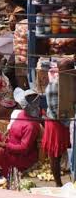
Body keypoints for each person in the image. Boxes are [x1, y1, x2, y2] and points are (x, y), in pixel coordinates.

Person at [44, 58, 74, 186]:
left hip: (69, 121)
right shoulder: (54, 86)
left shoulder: (70, 81)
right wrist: (71, 123)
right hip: (57, 123)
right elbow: (57, 112)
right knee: (55, 154)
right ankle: (58, 183)